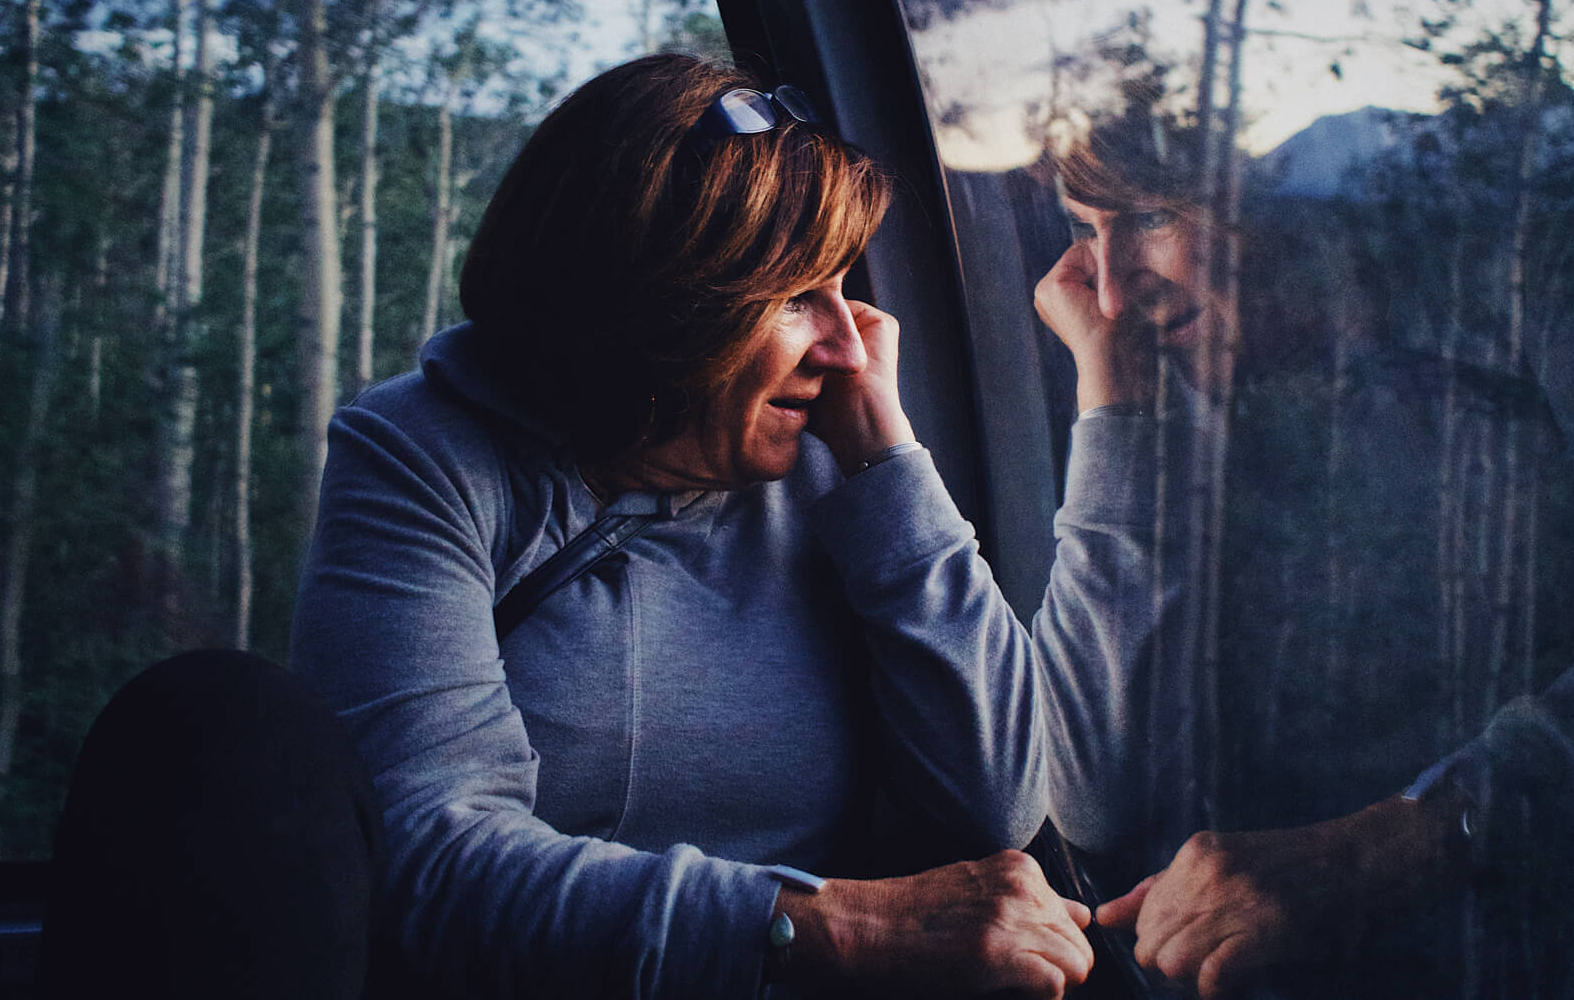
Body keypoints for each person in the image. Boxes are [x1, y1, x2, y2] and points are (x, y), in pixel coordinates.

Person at [280, 54, 1095, 998]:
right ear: (659, 308)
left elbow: (993, 804)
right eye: (797, 296)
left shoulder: (829, 460)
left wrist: (889, 468)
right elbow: (437, 859)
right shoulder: (425, 454)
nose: (848, 345)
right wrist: (828, 927)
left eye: (842, 286)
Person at [1026, 110, 1574, 998]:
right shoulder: (1152, 398)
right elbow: (1092, 794)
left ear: (1270, 200)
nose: (1109, 294)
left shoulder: (1515, 335)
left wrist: (1412, 835)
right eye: (1083, 228)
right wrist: (1110, 403)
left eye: (1150, 216)